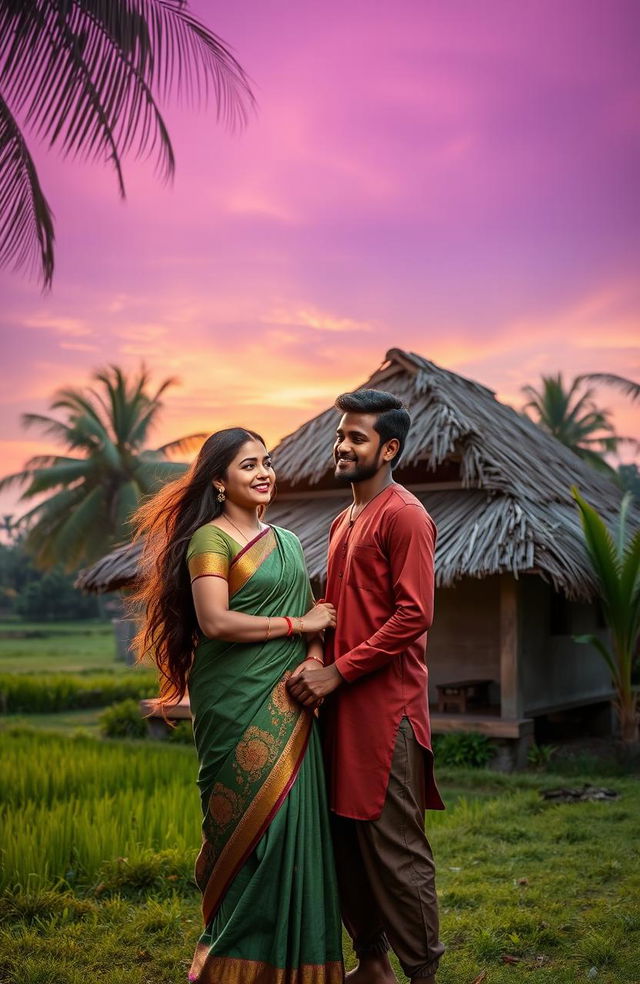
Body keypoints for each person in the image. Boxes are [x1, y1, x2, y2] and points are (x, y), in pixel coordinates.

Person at [131, 427, 344, 984]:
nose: (263, 473)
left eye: (267, 462)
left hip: (291, 698)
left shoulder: (291, 542)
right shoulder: (211, 540)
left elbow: (316, 615)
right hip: (233, 697)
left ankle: (298, 963)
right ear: (220, 481)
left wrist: (315, 657)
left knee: (293, 826)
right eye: (248, 465)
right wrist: (300, 625)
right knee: (247, 834)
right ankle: (234, 963)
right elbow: (216, 622)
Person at [288, 391, 445, 984]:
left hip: (386, 713)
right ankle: (372, 965)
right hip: (337, 710)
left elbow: (413, 615)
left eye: (357, 437)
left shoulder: (405, 515)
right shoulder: (341, 520)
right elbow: (331, 606)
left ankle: (424, 975)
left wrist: (338, 671)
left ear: (389, 447)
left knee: (395, 851)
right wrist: (311, 652)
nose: (342, 445)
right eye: (341, 435)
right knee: (343, 840)